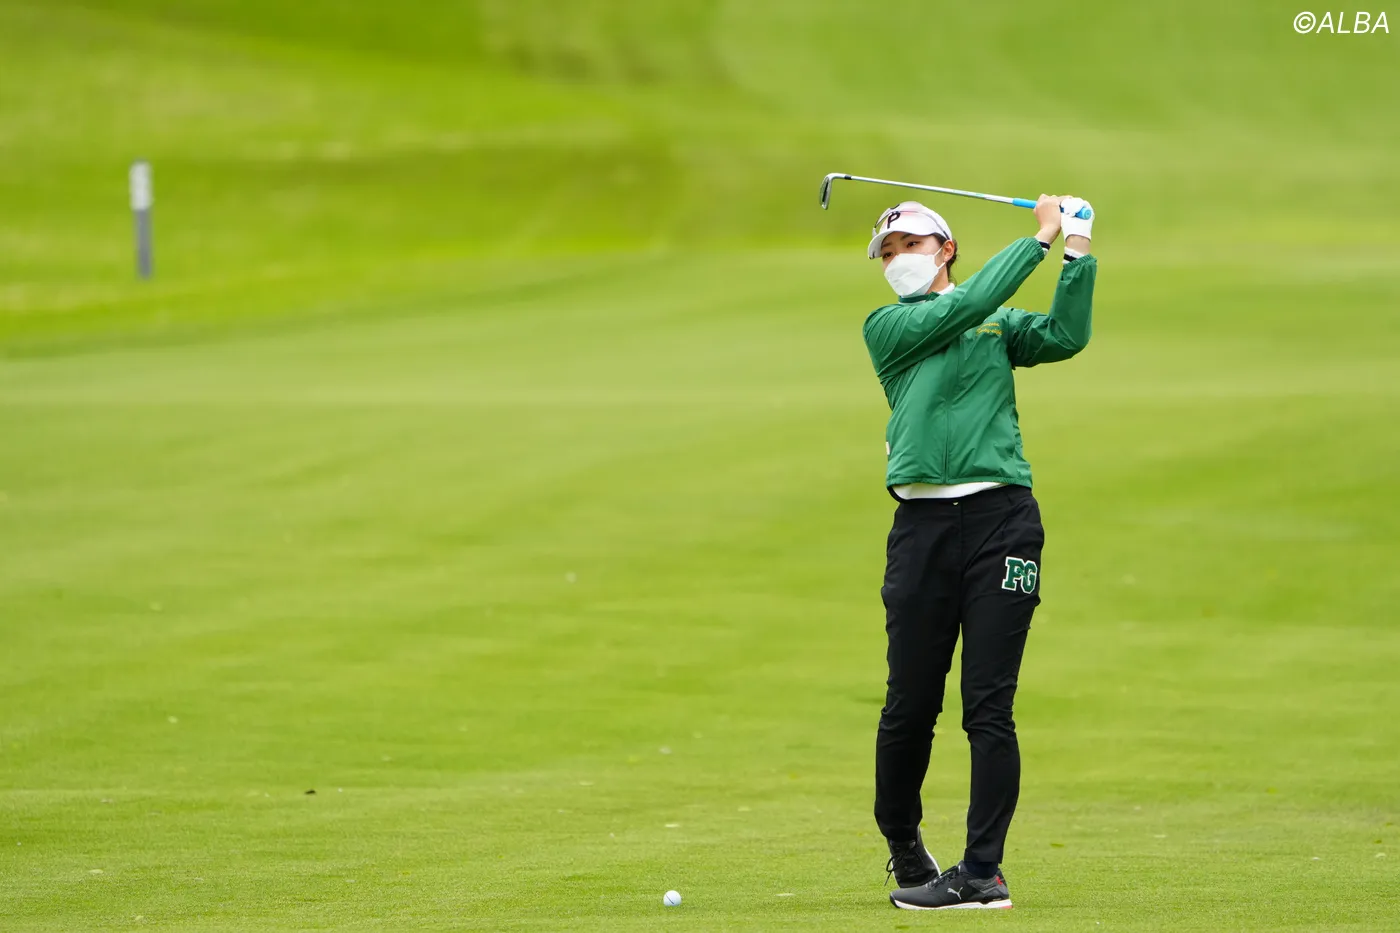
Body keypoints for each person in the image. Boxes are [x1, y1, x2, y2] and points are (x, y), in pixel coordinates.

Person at [863, 194, 1097, 910]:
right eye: (888, 251)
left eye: (910, 244)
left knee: (988, 706)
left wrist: (1076, 252)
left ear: (946, 248)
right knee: (909, 704)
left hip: (1002, 522)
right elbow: (964, 307)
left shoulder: (994, 322)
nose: (898, 259)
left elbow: (1064, 335)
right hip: (922, 530)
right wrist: (1040, 237)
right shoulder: (888, 327)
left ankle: (983, 872)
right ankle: (905, 845)